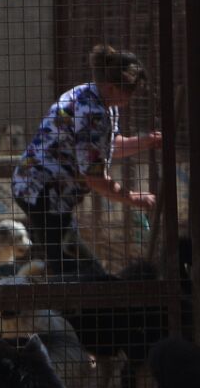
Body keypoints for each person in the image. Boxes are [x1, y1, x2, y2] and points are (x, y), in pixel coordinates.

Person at [12, 44, 162, 280]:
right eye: (129, 92)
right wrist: (133, 198)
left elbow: (104, 147)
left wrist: (145, 142)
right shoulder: (93, 112)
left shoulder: (94, 97)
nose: (132, 97)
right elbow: (95, 177)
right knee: (69, 269)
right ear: (112, 87)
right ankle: (40, 301)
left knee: (68, 262)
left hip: (39, 189)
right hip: (43, 192)